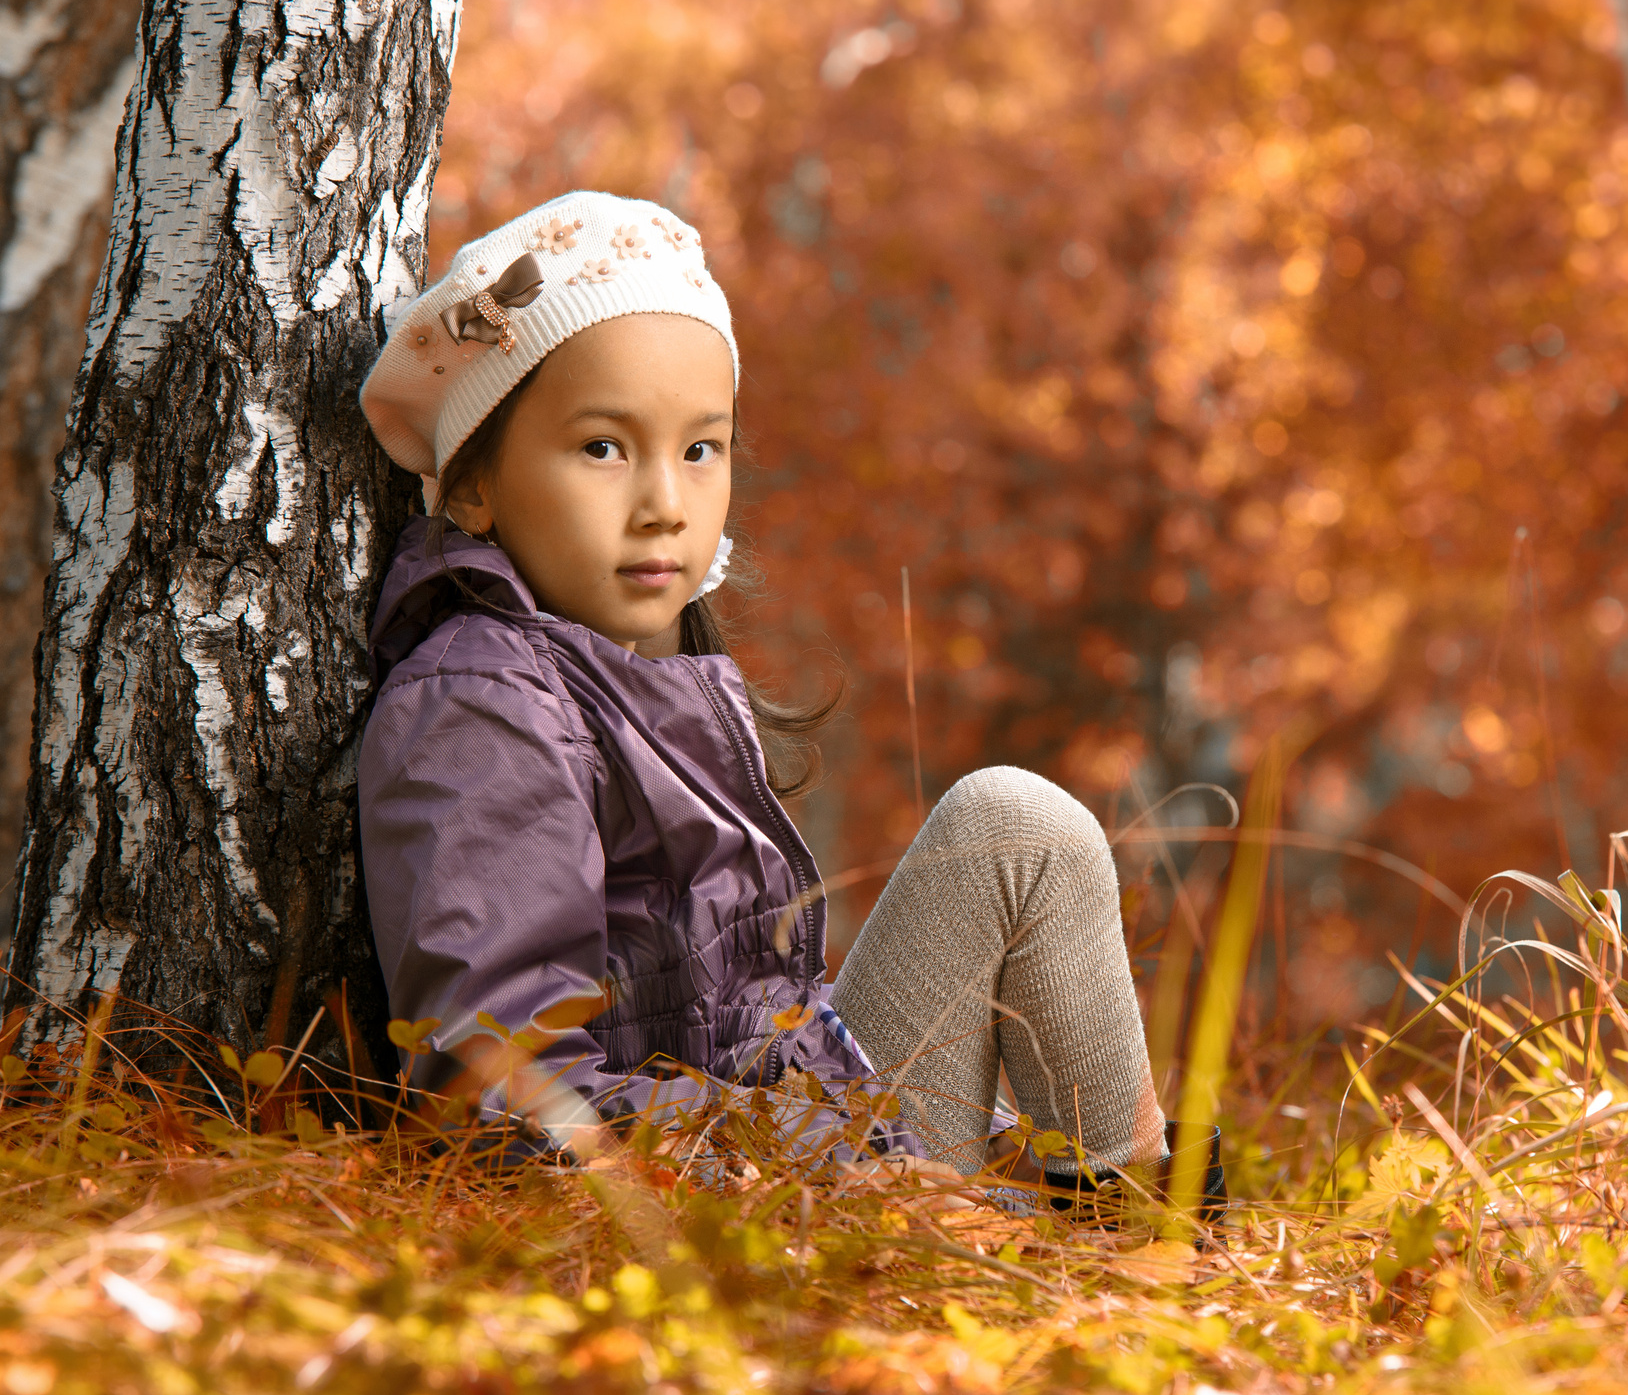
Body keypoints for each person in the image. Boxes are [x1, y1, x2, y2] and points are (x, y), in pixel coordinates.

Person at [356, 190, 1187, 1203]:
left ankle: (1124, 1210)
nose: (665, 504)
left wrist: (974, 1145)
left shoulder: (644, 678)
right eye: (603, 447)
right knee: (1010, 821)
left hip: (794, 1150)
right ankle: (1124, 1236)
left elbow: (765, 1021)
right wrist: (846, 1163)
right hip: (708, 1202)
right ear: (473, 486)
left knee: (1017, 830)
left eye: (700, 449)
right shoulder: (482, 703)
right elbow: (503, 1092)